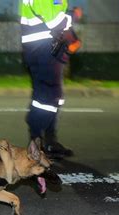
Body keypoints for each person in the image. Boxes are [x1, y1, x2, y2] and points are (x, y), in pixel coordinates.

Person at [20, 0, 81, 159]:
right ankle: (36, 144)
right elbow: (55, 21)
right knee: (46, 99)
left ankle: (49, 141)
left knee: (51, 97)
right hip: (43, 50)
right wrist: (73, 16)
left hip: (44, 49)